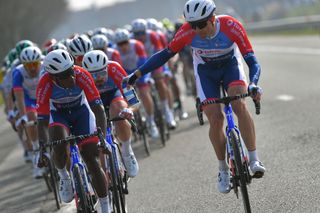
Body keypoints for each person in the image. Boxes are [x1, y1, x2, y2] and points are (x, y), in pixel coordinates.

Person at [125, 0, 266, 194]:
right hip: (205, 72)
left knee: (239, 105)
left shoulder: (230, 26)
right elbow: (164, 55)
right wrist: (137, 74)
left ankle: (254, 159)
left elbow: (251, 59)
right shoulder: (186, 32)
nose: (197, 29)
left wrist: (253, 83)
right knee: (215, 119)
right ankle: (223, 169)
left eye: (201, 24)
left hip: (230, 67)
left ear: (213, 19)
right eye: (193, 25)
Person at [36, 49, 110, 212]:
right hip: (59, 115)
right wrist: (42, 148)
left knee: (91, 157)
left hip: (81, 112)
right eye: (65, 75)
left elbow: (98, 108)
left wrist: (102, 138)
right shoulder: (45, 83)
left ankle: (106, 205)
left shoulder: (82, 74)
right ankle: (63, 175)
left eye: (71, 70)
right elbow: (41, 122)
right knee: (59, 145)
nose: (71, 77)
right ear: (54, 77)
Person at [82, 50, 139, 177]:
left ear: (107, 68)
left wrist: (129, 110)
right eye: (94, 76)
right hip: (93, 101)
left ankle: (126, 150)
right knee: (98, 133)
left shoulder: (114, 68)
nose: (99, 79)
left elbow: (133, 100)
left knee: (119, 109)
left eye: (102, 73)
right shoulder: (81, 76)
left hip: (113, 95)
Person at [114, 28, 160, 139]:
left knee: (144, 92)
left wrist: (138, 78)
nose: (123, 46)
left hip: (139, 71)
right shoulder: (116, 51)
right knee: (126, 97)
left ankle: (151, 121)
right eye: (120, 44)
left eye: (125, 42)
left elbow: (143, 62)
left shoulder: (137, 45)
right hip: (126, 74)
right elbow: (119, 69)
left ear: (129, 41)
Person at [131, 18, 177, 129]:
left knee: (161, 82)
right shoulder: (132, 41)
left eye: (142, 33)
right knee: (143, 90)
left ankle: (167, 112)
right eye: (137, 34)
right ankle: (147, 116)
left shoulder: (152, 36)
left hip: (155, 63)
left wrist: (164, 71)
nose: (139, 36)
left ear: (145, 31)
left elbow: (160, 54)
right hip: (142, 65)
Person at [12, 46, 44, 178]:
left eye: (35, 64)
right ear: (23, 65)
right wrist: (23, 116)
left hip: (42, 97)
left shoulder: (45, 67)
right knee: (31, 117)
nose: (32, 68)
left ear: (39, 62)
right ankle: (36, 149)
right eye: (28, 65)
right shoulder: (18, 73)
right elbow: (18, 97)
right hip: (28, 100)